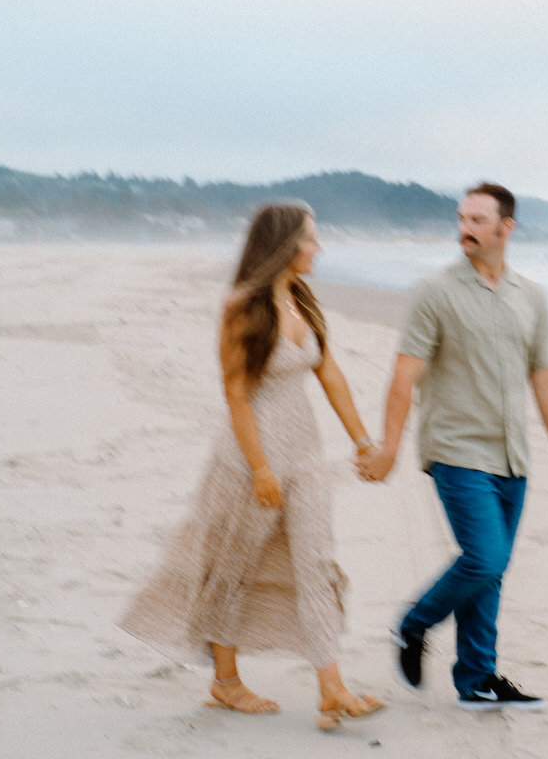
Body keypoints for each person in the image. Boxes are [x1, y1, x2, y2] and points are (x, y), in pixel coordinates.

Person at [119, 203, 384, 732]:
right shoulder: (241, 305)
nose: (319, 249)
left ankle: (331, 688)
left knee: (316, 563)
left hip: (306, 452)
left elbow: (329, 374)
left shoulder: (304, 300)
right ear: (285, 245)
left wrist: (361, 441)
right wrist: (261, 468)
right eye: (311, 240)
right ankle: (226, 682)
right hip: (249, 457)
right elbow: (236, 395)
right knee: (232, 566)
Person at [357, 182, 548, 711]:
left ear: (507, 227)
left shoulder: (531, 296)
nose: (465, 228)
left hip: (512, 455)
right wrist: (389, 446)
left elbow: (545, 378)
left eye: (478, 219)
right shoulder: (436, 292)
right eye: (462, 218)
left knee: (492, 570)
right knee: (484, 558)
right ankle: (414, 625)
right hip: (456, 450)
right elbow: (404, 375)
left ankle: (477, 679)